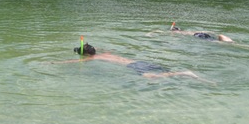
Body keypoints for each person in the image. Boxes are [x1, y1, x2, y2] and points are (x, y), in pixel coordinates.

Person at [68, 43, 200, 79]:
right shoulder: (104, 53)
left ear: (85, 54)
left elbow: (73, 62)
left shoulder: (95, 58)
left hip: (132, 66)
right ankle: (185, 74)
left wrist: (52, 63)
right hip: (138, 61)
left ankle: (184, 73)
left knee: (151, 77)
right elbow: (108, 49)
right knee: (163, 71)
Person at [169, 23, 249, 51]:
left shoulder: (183, 33)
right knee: (225, 40)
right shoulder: (189, 32)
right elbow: (207, 31)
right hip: (208, 38)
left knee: (226, 41)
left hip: (209, 39)